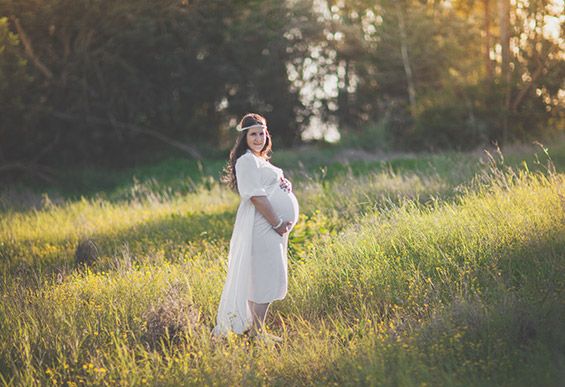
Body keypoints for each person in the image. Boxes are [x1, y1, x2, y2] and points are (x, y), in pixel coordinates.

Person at [212, 113, 299, 343]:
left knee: (262, 276)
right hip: (264, 226)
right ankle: (257, 333)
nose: (259, 138)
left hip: (270, 228)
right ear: (244, 137)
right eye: (253, 134)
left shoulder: (259, 160)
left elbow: (268, 188)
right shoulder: (246, 161)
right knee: (266, 277)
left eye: (262, 133)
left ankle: (255, 330)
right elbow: (256, 198)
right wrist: (278, 223)